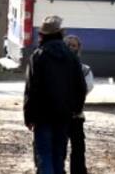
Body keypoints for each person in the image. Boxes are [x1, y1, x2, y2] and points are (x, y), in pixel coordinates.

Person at [24, 16, 87, 174]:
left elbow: (31, 89)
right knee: (58, 157)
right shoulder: (72, 57)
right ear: (60, 34)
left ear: (42, 35)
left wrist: (29, 116)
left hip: (42, 116)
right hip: (64, 115)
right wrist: (75, 109)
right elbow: (81, 87)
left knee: (44, 156)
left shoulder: (38, 56)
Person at [64, 35, 94, 174]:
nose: (71, 48)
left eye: (74, 45)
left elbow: (87, 87)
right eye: (68, 45)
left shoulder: (85, 70)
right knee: (59, 149)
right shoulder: (56, 68)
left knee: (78, 148)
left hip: (76, 115)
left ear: (78, 48)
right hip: (59, 116)